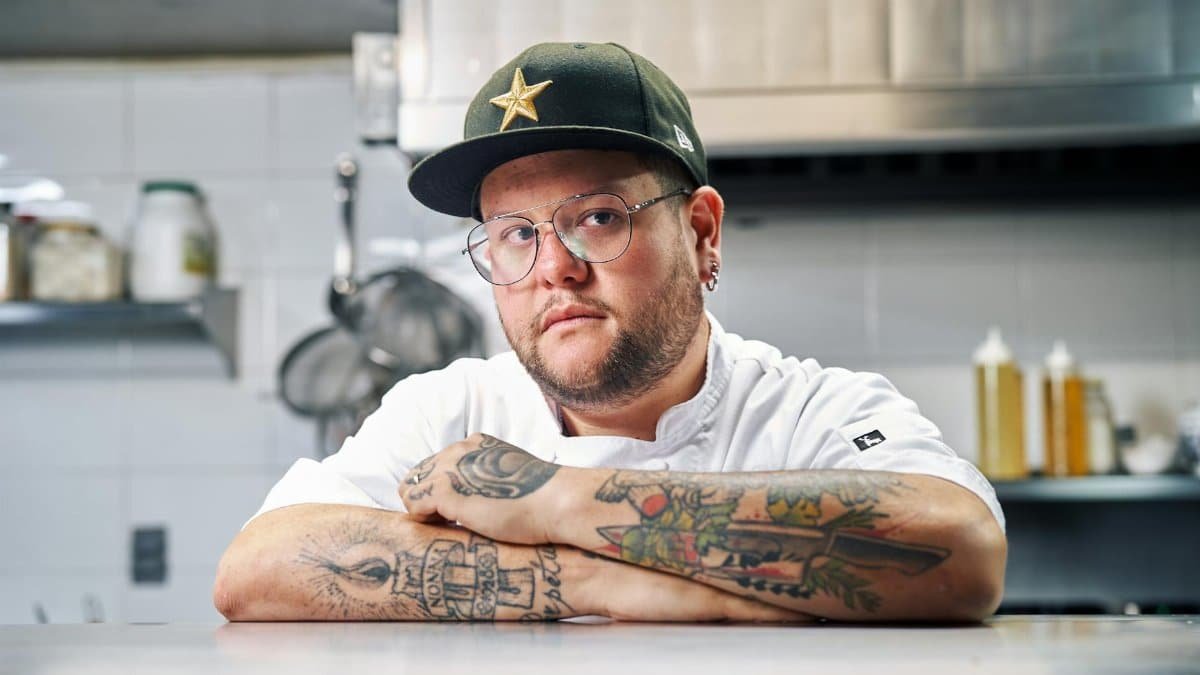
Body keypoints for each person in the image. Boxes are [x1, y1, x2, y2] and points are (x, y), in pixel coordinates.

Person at [214, 42, 1006, 623]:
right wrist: (607, 582)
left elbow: (961, 548)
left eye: (597, 217)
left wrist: (550, 497)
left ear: (701, 233)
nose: (554, 268)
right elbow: (256, 567)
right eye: (515, 234)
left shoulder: (807, 411)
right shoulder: (448, 411)